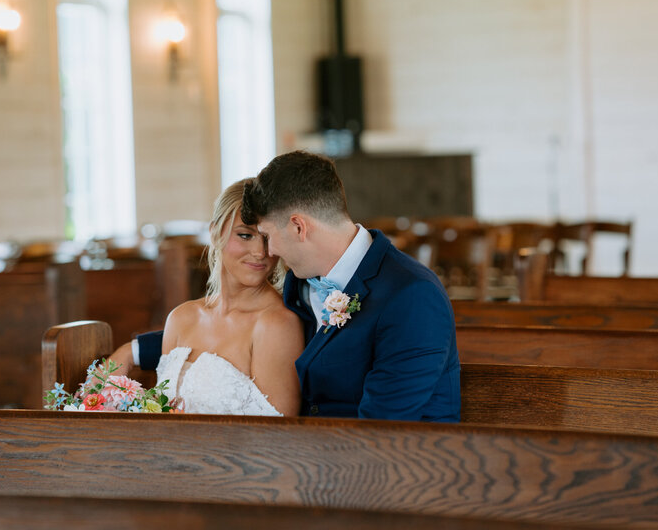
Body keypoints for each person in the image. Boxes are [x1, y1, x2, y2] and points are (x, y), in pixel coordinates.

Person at [124, 150, 460, 422]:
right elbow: (229, 328)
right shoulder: (303, 282)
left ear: (298, 227)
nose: (268, 253)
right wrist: (136, 351)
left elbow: (384, 429)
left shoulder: (411, 296)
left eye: (268, 237)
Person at [110, 178, 303, 416]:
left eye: (267, 238)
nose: (260, 252)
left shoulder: (277, 325)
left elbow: (281, 438)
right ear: (214, 233)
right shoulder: (181, 318)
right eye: (245, 235)